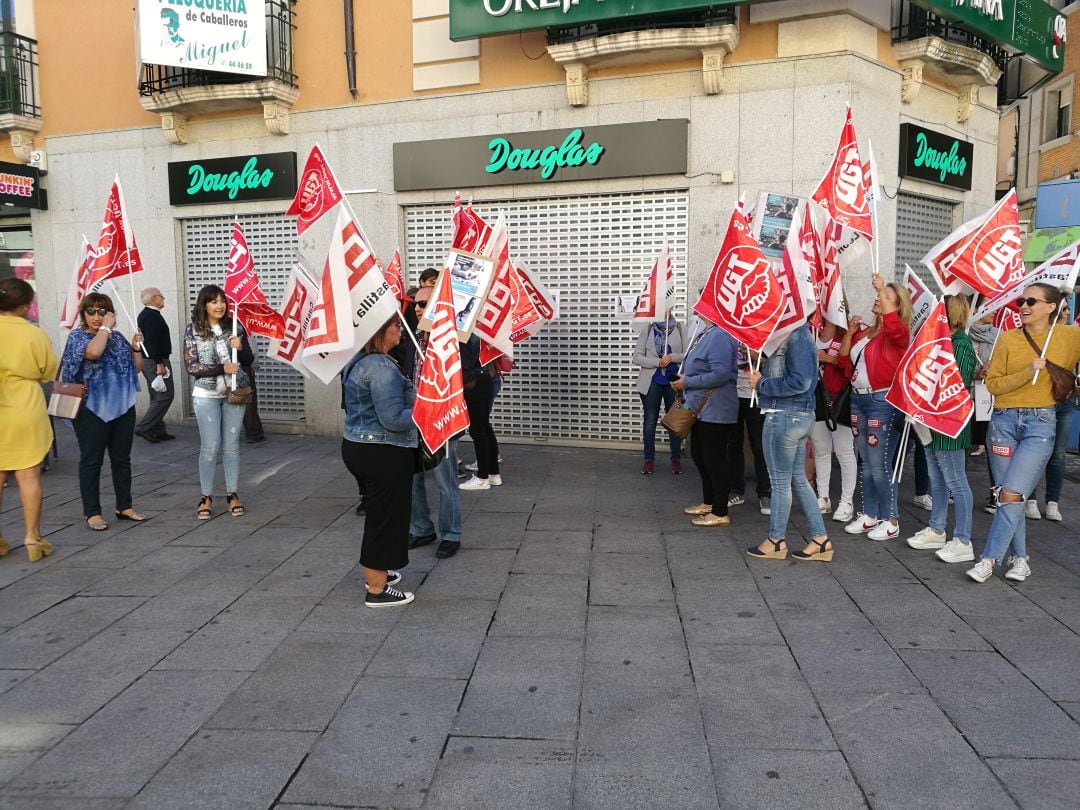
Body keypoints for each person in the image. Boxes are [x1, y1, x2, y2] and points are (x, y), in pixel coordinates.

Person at [969, 284, 1080, 583]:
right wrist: (1028, 373)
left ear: (1051, 307)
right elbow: (993, 385)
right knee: (1009, 497)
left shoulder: (1070, 337)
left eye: (1031, 300)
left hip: (1040, 424)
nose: (1023, 305)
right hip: (1003, 422)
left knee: (1011, 492)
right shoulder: (1008, 339)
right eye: (1021, 301)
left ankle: (990, 559)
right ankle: (1020, 558)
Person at [341, 316, 417, 607]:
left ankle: (380, 569)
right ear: (378, 331)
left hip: (361, 447)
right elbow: (394, 420)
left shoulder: (361, 361)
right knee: (384, 519)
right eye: (396, 325)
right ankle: (377, 589)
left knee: (381, 513)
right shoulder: (381, 366)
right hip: (382, 451)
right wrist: (428, 411)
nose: (401, 329)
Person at [60, 292, 146, 531]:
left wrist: (136, 347)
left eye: (102, 312)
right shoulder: (77, 337)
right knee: (91, 460)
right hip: (90, 409)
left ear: (110, 314)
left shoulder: (117, 338)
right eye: (91, 311)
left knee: (121, 458)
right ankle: (92, 512)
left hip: (122, 407)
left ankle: (124, 505)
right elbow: (93, 353)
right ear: (83, 314)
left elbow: (136, 369)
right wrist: (105, 330)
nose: (97, 316)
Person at [746, 323, 832, 560]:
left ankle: (776, 540)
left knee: (780, 483)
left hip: (785, 416)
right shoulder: (796, 335)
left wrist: (762, 383)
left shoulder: (797, 337)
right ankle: (820, 539)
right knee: (797, 480)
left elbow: (801, 382)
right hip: (793, 415)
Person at [838, 273, 912, 541]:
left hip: (882, 401)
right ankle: (870, 515)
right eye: (880, 295)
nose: (879, 299)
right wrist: (849, 334)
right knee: (866, 463)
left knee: (879, 464)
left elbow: (894, 329)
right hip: (859, 399)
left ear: (898, 306)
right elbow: (845, 363)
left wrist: (883, 288)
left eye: (887, 298)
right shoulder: (868, 331)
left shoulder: (899, 332)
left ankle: (890, 519)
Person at [905, 295, 977, 563]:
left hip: (948, 422)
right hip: (932, 421)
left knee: (956, 482)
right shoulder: (942, 343)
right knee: (937, 480)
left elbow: (957, 385)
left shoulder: (960, 345)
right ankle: (937, 529)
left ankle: (963, 539)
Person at [0, 278, 59, 561]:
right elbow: (48, 370)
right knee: (28, 474)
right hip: (24, 404)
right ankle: (32, 537)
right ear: (25, 306)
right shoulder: (33, 334)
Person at [184, 285, 254, 520]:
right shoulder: (193, 330)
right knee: (210, 446)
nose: (219, 305)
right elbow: (191, 366)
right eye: (213, 301)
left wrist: (240, 347)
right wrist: (222, 368)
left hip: (234, 393)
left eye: (222, 300)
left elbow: (248, 359)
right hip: (206, 395)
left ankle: (232, 494)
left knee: (232, 445)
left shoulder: (235, 326)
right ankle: (206, 496)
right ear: (204, 305)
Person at [405, 285, 463, 559]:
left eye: (424, 303)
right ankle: (421, 528)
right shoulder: (412, 337)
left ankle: (451, 534)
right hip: (413, 418)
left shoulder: (455, 339)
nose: (417, 308)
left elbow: (469, 375)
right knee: (413, 477)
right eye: (416, 303)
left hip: (441, 420)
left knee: (445, 479)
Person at [672, 321, 739, 527]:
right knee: (700, 455)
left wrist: (688, 382)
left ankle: (720, 511)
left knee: (713, 457)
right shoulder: (706, 332)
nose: (696, 307)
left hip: (715, 408)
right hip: (701, 408)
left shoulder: (720, 336)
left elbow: (721, 374)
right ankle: (709, 502)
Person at [1028, 299, 1075, 522]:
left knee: (1057, 455)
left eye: (1067, 309)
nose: (1065, 313)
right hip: (1040, 400)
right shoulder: (1034, 335)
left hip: (1064, 401)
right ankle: (1031, 499)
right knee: (1036, 453)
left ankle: (1053, 501)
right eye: (1062, 308)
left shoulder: (1071, 336)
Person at [811, 320, 856, 523]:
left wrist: (830, 359)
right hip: (816, 399)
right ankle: (823, 497)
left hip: (839, 399)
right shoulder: (811, 332)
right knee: (820, 450)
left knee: (844, 451)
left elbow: (849, 366)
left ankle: (847, 501)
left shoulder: (846, 334)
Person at [633, 311, 686, 474]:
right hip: (651, 382)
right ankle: (649, 459)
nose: (664, 311)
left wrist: (671, 357)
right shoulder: (648, 329)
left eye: (667, 308)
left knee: (674, 421)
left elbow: (688, 355)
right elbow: (637, 357)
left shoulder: (680, 328)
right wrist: (657, 362)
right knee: (650, 421)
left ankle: (676, 459)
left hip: (673, 382)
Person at [727, 345, 771, 514]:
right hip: (732, 394)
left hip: (755, 395)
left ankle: (764, 493)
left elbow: (774, 364)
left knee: (759, 445)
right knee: (733, 444)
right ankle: (736, 490)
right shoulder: (729, 332)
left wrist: (758, 357)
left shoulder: (760, 333)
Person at [459, 335, 501, 491]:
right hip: (486, 378)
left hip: (474, 381)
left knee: (478, 430)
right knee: (484, 427)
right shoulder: (480, 330)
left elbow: (465, 361)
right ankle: (493, 473)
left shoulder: (465, 332)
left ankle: (482, 477)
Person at [135, 287, 175, 443]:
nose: (163, 299)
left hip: (151, 359)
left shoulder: (149, 314)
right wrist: (159, 363)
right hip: (155, 361)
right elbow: (152, 341)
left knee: (156, 395)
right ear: (154, 298)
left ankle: (158, 430)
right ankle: (144, 427)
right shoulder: (151, 316)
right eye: (162, 297)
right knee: (165, 395)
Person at [969, 311, 1000, 512]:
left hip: (989, 397)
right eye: (990, 305)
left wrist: (994, 368)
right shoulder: (963, 335)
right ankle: (954, 489)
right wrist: (974, 373)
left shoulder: (1000, 335)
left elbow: (1007, 365)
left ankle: (996, 494)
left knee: (993, 447)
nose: (996, 310)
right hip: (965, 394)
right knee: (961, 444)